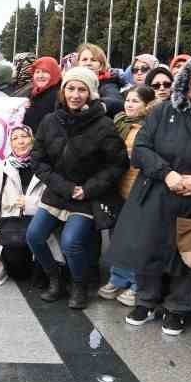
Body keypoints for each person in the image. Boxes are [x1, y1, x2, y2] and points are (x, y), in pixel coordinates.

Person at [109, 54, 191, 334]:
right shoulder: (162, 111)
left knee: (189, 255)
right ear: (187, 82)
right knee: (148, 250)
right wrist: (166, 173)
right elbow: (142, 148)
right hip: (157, 192)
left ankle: (177, 308)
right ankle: (145, 301)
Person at [27, 66, 128, 308]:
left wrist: (88, 189)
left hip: (86, 196)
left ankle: (79, 285)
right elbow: (38, 160)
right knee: (34, 236)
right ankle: (55, 279)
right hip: (58, 191)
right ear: (63, 91)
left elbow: (118, 164)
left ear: (91, 93)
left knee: (71, 242)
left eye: (82, 89)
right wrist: (63, 186)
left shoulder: (104, 125)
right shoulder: (50, 121)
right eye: (70, 88)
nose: (75, 94)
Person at [99, 86, 158, 307]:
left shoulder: (152, 126)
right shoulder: (119, 123)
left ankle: (135, 283)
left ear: (147, 105)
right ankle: (118, 277)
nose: (129, 104)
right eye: (128, 100)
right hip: (119, 187)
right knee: (119, 237)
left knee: (137, 240)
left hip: (141, 189)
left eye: (135, 101)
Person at [0, 124, 41, 286]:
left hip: (41, 227)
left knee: (41, 275)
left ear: (32, 140)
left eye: (24, 136)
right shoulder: (1, 169)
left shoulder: (43, 167)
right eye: (15, 138)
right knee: (19, 272)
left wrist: (30, 204)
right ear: (10, 144)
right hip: (12, 229)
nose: (20, 142)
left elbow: (54, 200)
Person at [74, 43, 125, 111]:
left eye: (93, 60)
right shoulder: (69, 82)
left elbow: (117, 101)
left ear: (101, 66)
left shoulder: (108, 84)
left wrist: (97, 104)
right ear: (78, 64)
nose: (88, 63)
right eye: (84, 59)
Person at [21, 56, 62, 132]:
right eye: (37, 72)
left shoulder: (58, 96)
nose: (40, 76)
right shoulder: (34, 93)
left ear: (54, 73)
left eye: (45, 72)